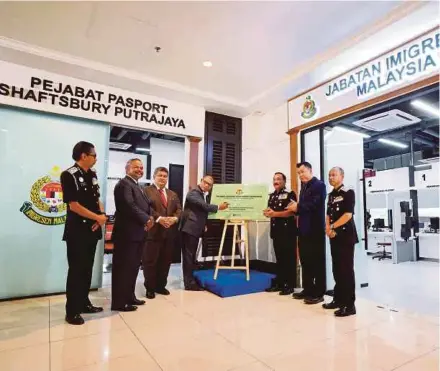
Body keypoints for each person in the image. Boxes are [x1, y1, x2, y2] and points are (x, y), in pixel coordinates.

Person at [60, 141, 107, 325]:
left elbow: (96, 199)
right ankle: (71, 311)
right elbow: (73, 205)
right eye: (93, 155)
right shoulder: (68, 175)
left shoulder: (92, 174)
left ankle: (83, 303)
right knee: (76, 271)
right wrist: (97, 217)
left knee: (87, 269)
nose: (96, 158)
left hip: (92, 229)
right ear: (83, 156)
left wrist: (100, 216)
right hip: (77, 231)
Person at [111, 158, 153, 312]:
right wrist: (146, 218)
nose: (140, 170)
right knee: (123, 269)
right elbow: (129, 206)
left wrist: (151, 217)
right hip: (126, 235)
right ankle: (119, 303)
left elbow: (146, 206)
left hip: (138, 233)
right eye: (136, 167)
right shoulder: (123, 184)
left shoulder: (137, 185)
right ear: (127, 168)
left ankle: (129, 296)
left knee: (133, 268)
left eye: (142, 168)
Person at [286, 162, 327, 305]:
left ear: (310, 170)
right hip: (303, 230)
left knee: (317, 262)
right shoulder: (304, 187)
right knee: (305, 261)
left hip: (315, 230)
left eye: (302, 172)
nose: (300, 175)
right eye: (298, 173)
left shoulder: (319, 185)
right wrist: (295, 208)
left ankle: (319, 292)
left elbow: (315, 204)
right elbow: (303, 208)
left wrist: (298, 206)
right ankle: (308, 289)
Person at [179, 175, 228, 290]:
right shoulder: (193, 193)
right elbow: (203, 206)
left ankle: (190, 280)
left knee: (191, 257)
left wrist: (204, 224)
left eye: (209, 184)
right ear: (201, 181)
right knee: (188, 256)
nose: (206, 185)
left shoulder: (201, 195)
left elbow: (200, 211)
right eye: (205, 182)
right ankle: (189, 284)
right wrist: (218, 207)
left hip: (194, 229)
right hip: (189, 229)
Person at [323, 167, 358, 317]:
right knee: (337, 270)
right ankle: (338, 300)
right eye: (330, 175)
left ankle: (349, 305)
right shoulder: (331, 195)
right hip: (334, 236)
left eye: (334, 175)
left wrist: (332, 227)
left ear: (342, 176)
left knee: (346, 271)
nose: (331, 177)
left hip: (345, 236)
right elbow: (328, 215)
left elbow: (348, 215)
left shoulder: (348, 192)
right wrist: (328, 229)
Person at [143, 167, 182, 299]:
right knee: (150, 262)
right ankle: (150, 288)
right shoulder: (146, 191)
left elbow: (179, 209)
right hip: (152, 232)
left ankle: (161, 286)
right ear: (154, 176)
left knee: (165, 261)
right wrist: (159, 219)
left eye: (165, 176)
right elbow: (145, 208)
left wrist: (175, 219)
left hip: (169, 233)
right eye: (160, 175)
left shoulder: (172, 194)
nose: (162, 178)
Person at [264, 172, 298, 295]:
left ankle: (289, 285)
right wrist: (267, 213)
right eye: (274, 179)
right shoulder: (272, 196)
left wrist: (275, 214)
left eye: (278, 179)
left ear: (284, 181)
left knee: (288, 259)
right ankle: (280, 283)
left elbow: (291, 213)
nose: (276, 181)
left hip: (287, 231)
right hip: (276, 231)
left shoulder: (290, 194)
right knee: (279, 259)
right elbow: (271, 211)